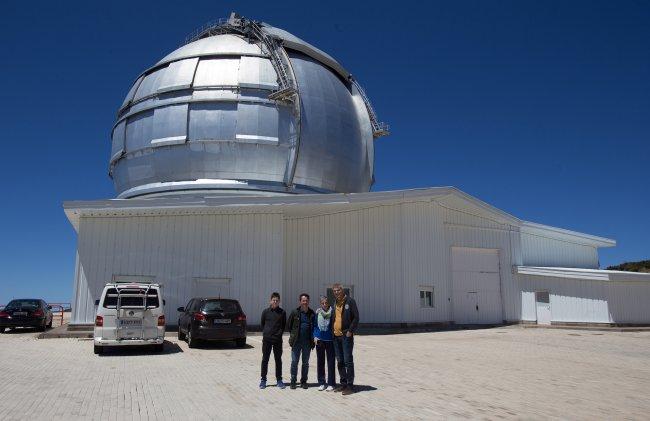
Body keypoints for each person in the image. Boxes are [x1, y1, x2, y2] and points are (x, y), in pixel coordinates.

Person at [331, 282, 359, 395]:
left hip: (345, 337)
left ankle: (350, 386)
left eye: (338, 290)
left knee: (348, 361)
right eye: (334, 291)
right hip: (336, 337)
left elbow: (356, 317)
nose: (336, 292)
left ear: (342, 290)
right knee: (340, 361)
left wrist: (350, 331)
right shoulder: (335, 302)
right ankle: (343, 384)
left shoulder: (350, 301)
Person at [287, 293, 315, 389]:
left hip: (307, 343)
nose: (305, 302)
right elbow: (289, 326)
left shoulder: (312, 313)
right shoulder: (295, 312)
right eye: (303, 300)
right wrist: (294, 336)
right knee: (294, 362)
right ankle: (293, 381)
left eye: (306, 300)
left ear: (308, 301)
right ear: (300, 301)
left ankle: (303, 381)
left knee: (305, 363)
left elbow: (314, 327)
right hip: (296, 342)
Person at [259, 292, 287, 389]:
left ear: (279, 301)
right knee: (265, 360)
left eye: (277, 300)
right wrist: (267, 333)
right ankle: (263, 380)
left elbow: (283, 326)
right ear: (270, 301)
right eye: (273, 300)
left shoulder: (282, 313)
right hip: (267, 340)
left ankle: (279, 380)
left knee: (278, 360)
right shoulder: (265, 312)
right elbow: (262, 324)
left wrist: (278, 334)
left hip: (277, 340)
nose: (275, 302)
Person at [313, 295, 336, 391]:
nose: (324, 304)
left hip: (330, 340)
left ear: (328, 303)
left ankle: (331, 383)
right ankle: (322, 382)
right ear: (320, 303)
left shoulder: (333, 312)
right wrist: (315, 336)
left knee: (331, 362)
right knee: (320, 362)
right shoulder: (317, 313)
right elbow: (314, 325)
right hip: (320, 340)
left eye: (326, 302)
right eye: (322, 303)